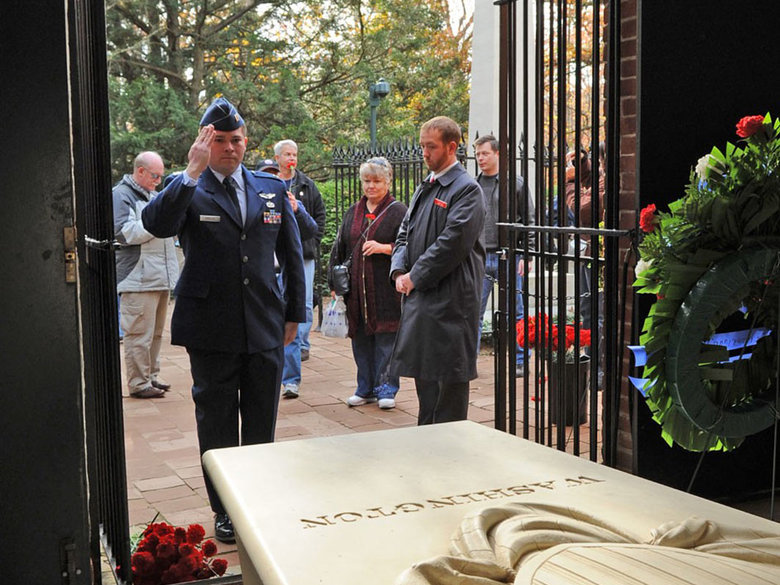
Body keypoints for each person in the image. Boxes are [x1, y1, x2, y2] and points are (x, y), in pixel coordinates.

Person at [142, 98, 306, 543]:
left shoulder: (269, 188)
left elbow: (292, 254)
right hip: (211, 327)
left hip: (265, 323)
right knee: (215, 420)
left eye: (236, 140)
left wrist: (296, 313)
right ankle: (226, 507)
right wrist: (190, 171)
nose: (229, 148)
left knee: (260, 418)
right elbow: (156, 223)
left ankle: (255, 496)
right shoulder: (188, 187)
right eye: (219, 140)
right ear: (204, 142)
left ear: (245, 142)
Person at [390, 116, 485, 425]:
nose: (424, 153)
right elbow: (404, 233)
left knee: (449, 387)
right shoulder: (425, 187)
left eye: (431, 147)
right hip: (422, 300)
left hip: (451, 303)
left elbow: (451, 244)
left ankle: (448, 453)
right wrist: (398, 271)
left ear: (452, 147)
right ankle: (425, 446)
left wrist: (414, 277)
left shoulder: (467, 190)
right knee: (426, 381)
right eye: (422, 146)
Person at [328, 157, 408, 410]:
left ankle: (386, 389)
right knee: (360, 340)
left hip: (385, 292)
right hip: (357, 294)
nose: (371, 186)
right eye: (367, 181)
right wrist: (334, 284)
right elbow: (339, 248)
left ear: (388, 182)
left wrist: (386, 248)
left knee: (386, 341)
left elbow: (412, 246)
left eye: (377, 181)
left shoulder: (399, 211)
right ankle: (365, 388)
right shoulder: (354, 211)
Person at [113, 151, 180, 398]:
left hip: (159, 277)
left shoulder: (153, 195)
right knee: (138, 335)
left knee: (155, 333)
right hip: (138, 278)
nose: (158, 181)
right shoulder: (121, 195)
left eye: (161, 177)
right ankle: (139, 383)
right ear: (140, 171)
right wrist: (158, 224)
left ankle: (151, 376)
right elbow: (124, 232)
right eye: (155, 175)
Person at [473, 134, 536, 377]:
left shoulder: (515, 183)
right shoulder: (473, 184)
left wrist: (528, 255)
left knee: (516, 311)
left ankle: (521, 360)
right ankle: (470, 360)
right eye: (478, 154)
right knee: (474, 312)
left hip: (509, 256)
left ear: (497, 154)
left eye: (485, 153)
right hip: (479, 256)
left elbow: (529, 220)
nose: (480, 158)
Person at [274, 139, 326, 397]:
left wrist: (310, 245)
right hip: (270, 259)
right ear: (277, 158)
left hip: (300, 256)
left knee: (299, 306)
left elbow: (317, 222)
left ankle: (291, 378)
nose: (292, 158)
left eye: (295, 153)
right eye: (287, 154)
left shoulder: (306, 185)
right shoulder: (266, 183)